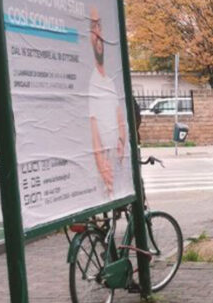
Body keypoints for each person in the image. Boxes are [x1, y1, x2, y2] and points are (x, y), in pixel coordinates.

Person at [88, 6, 128, 197]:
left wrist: (121, 139)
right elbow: (94, 129)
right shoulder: (92, 83)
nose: (97, 32)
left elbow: (120, 117)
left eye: (99, 26)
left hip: (117, 158)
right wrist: (102, 164)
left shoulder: (110, 82)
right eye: (92, 26)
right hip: (105, 162)